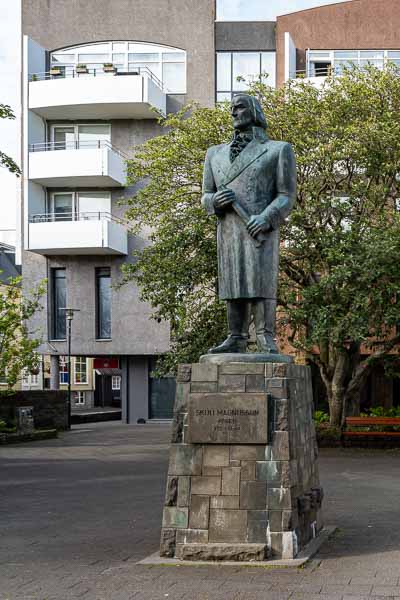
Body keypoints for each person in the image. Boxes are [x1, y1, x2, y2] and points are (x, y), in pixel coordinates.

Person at [201, 93, 296, 354]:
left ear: (253, 111)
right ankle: (236, 336)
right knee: (233, 279)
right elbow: (206, 194)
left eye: (239, 107)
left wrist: (266, 217)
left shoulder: (278, 149)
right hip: (229, 228)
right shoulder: (214, 154)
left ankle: (266, 336)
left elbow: (287, 195)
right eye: (231, 108)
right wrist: (215, 200)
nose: (233, 112)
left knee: (261, 279)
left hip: (258, 227)